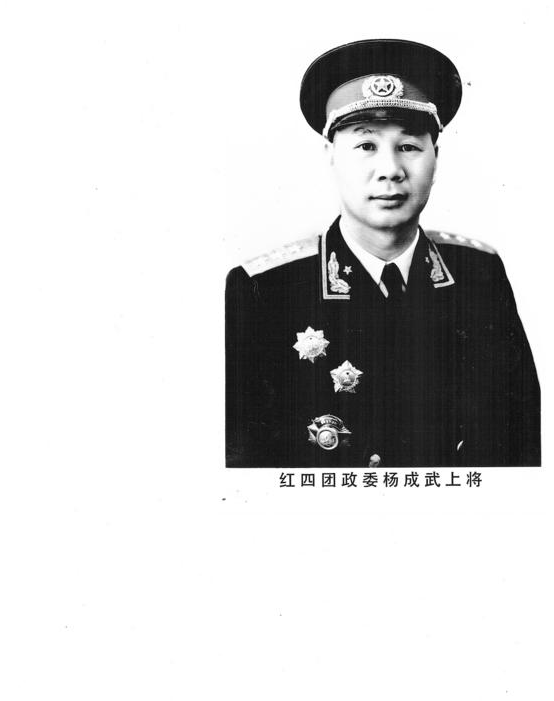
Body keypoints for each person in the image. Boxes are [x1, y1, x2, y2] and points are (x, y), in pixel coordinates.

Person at [225, 39, 540, 468]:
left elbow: (521, 445)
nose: (390, 170)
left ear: (436, 157)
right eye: (366, 146)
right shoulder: (266, 289)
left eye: (409, 146)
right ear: (331, 156)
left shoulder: (478, 274)